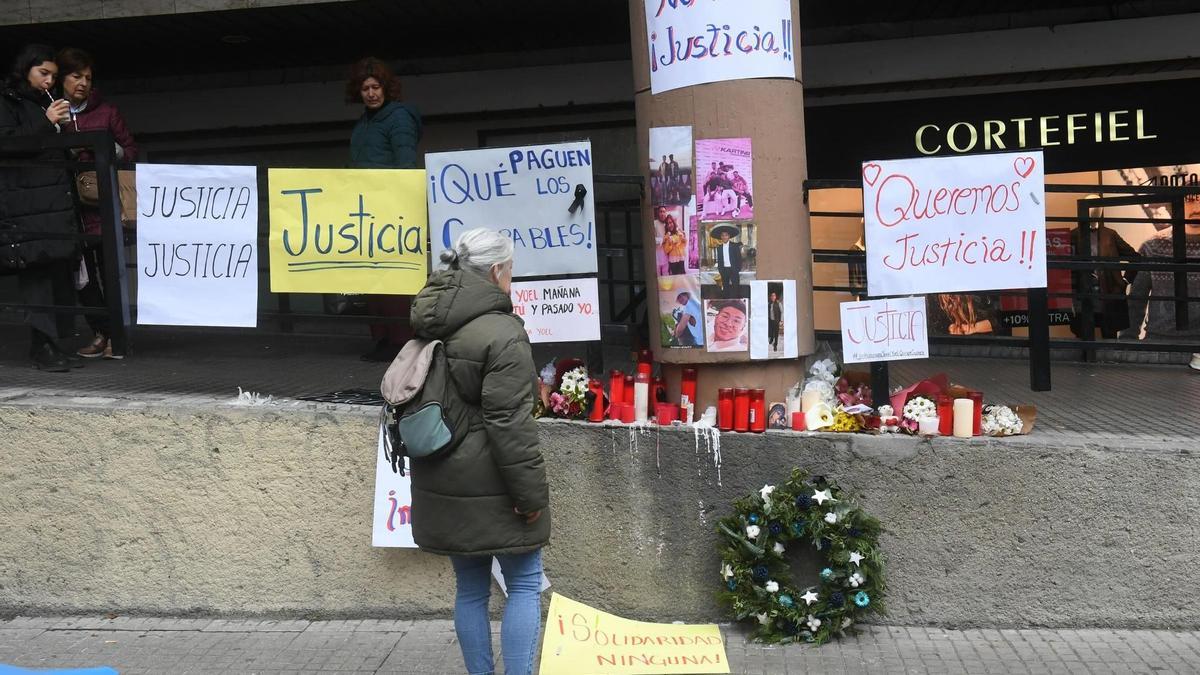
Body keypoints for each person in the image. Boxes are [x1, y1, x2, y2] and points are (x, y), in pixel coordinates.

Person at [409, 228, 550, 675]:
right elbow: (510, 424)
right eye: (511, 270)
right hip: (495, 483)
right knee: (525, 583)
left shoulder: (430, 320)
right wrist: (530, 498)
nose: (512, 278)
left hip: (442, 474)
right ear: (496, 271)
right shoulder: (502, 333)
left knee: (470, 590)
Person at [1, 44, 80, 372]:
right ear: (25, 71)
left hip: (52, 201)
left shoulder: (44, 103)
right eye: (42, 73)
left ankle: (53, 342)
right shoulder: (8, 102)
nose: (49, 81)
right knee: (37, 274)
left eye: (53, 75)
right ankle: (42, 346)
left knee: (58, 272)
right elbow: (8, 144)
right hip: (26, 205)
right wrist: (47, 123)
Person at [56, 47, 137, 360]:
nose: (83, 83)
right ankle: (101, 332)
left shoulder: (106, 112)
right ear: (62, 79)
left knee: (109, 273)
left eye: (88, 78)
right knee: (81, 278)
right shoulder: (48, 112)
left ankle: (117, 336)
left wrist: (104, 149)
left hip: (102, 205)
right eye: (76, 76)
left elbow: (130, 151)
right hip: (67, 208)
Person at [346, 56, 422, 361]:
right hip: (366, 208)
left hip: (391, 209)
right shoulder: (364, 122)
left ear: (386, 88)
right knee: (371, 277)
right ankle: (382, 337)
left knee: (392, 276)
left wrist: (399, 203)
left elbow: (405, 163)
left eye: (375, 86)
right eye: (365, 88)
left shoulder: (399, 117)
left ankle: (400, 340)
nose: (371, 93)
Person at [1119, 193, 1200, 368]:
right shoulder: (1153, 246)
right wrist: (1127, 340)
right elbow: (1136, 298)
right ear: (1178, 204)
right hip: (1158, 342)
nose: (1196, 208)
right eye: (1190, 200)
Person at [1069, 194, 1138, 340]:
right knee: (1084, 337)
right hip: (1084, 296)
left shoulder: (1110, 235)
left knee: (1110, 336)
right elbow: (1067, 267)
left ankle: (1108, 360)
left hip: (1109, 293)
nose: (1095, 210)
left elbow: (1136, 258)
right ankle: (1086, 361)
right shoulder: (1074, 235)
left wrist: (1124, 281)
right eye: (1092, 206)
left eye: (1098, 206)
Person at [711, 224, 743, 295]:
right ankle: (726, 301)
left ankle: (735, 301)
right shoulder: (719, 248)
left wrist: (737, 269)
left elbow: (739, 259)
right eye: (722, 235)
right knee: (725, 288)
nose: (724, 237)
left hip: (733, 269)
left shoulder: (735, 246)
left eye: (726, 235)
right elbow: (719, 260)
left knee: (736, 288)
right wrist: (720, 270)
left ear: (729, 236)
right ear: (721, 237)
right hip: (724, 270)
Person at [660, 209, 686, 275]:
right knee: (675, 280)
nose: (669, 225)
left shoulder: (679, 232)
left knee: (682, 278)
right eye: (667, 223)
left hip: (681, 258)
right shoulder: (666, 236)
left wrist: (683, 239)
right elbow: (666, 250)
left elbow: (684, 244)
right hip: (673, 260)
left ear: (673, 222)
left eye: (670, 222)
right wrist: (671, 243)